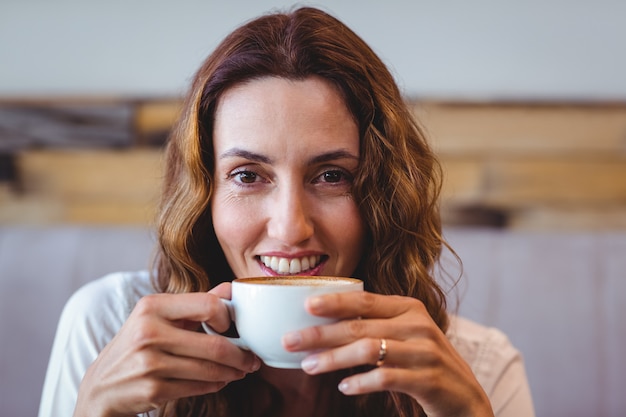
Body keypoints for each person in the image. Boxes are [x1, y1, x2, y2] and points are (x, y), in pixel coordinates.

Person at [39, 6, 535, 417]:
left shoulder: (478, 366)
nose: (291, 227)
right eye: (248, 176)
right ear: (203, 195)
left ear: (381, 195)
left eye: (332, 175)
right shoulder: (110, 328)